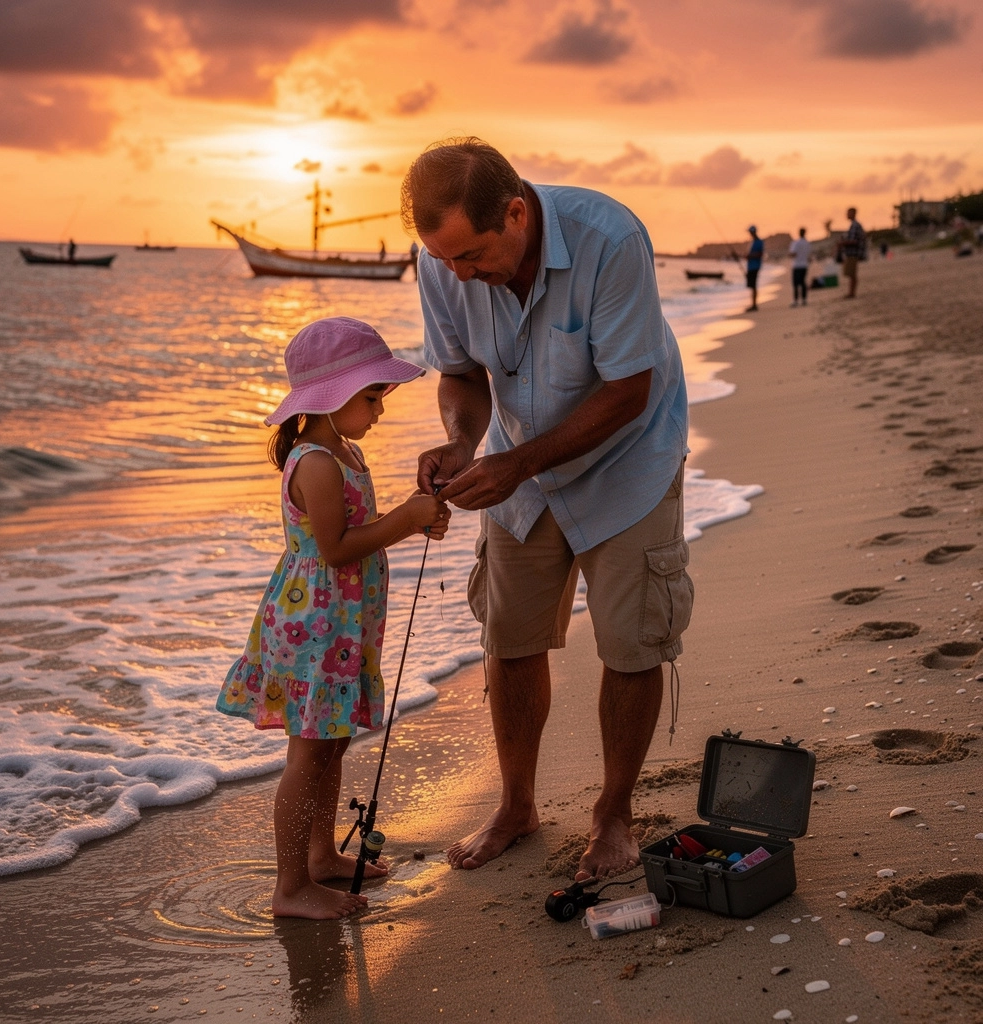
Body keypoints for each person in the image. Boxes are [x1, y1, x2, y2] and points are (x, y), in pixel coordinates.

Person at [401, 137, 693, 882]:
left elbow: (628, 389)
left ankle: (614, 814)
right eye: (446, 262)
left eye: (471, 255)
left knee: (629, 641)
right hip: (517, 458)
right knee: (512, 635)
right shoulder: (442, 260)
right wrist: (463, 443)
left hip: (629, 455)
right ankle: (516, 805)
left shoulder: (612, 237)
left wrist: (516, 463)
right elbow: (461, 374)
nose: (460, 274)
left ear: (517, 212)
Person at [215, 316, 451, 919]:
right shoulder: (315, 461)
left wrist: (420, 516)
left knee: (333, 742)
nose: (379, 410)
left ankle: (321, 856)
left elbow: (362, 536)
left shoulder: (346, 451)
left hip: (342, 627)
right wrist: (406, 517)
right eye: (372, 397)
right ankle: (289, 887)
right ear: (334, 398)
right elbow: (337, 547)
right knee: (310, 753)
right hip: (313, 628)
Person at [838, 207, 867, 298]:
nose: (847, 215)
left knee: (852, 274)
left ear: (853, 213)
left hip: (853, 252)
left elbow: (854, 241)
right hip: (853, 252)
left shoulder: (855, 225)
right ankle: (851, 292)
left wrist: (843, 243)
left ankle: (852, 293)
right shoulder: (855, 225)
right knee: (852, 274)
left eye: (849, 213)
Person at [788, 227, 811, 306]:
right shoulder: (807, 243)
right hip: (804, 265)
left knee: (796, 284)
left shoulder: (796, 243)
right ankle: (804, 299)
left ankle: (795, 301)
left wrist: (790, 255)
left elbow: (793, 254)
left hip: (797, 265)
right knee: (803, 282)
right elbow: (808, 255)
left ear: (799, 233)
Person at [744, 225, 763, 311]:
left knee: (754, 285)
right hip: (751, 266)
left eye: (750, 232)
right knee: (752, 286)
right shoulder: (752, 242)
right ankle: (753, 304)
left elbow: (760, 254)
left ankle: (754, 305)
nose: (750, 234)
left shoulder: (759, 242)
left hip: (755, 266)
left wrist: (750, 256)